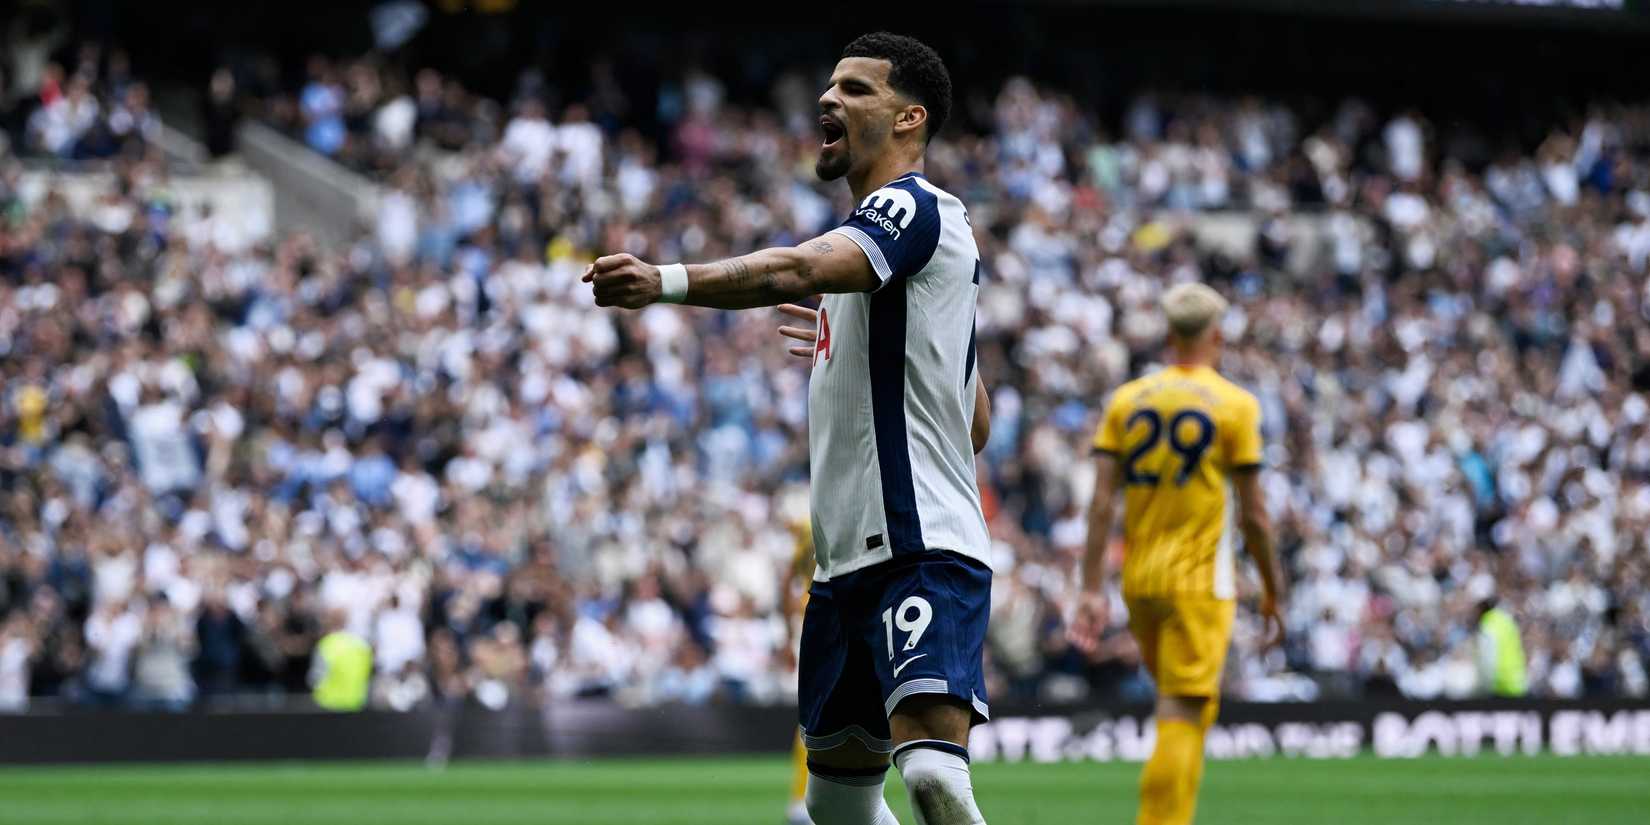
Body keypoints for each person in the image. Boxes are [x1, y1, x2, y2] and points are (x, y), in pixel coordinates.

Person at [587, 31, 993, 825]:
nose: (828, 100)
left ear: (910, 118)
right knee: (836, 808)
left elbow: (793, 269)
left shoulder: (910, 206)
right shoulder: (881, 274)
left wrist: (663, 281)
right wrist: (894, 346)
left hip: (919, 551)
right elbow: (973, 417)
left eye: (855, 89)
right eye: (830, 86)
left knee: (936, 780)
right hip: (842, 570)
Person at [1069, 283, 1286, 825]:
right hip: (1198, 583)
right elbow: (1256, 516)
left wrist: (1091, 588)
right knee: (1183, 715)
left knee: (1184, 707)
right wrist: (1274, 588)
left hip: (1139, 580)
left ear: (1168, 335)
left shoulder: (1127, 400)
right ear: (1216, 335)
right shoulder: (1236, 405)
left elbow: (1100, 505)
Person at [1475, 598, 1528, 698]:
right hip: (1517, 683)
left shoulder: (1488, 624)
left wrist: (1484, 687)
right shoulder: (1506, 620)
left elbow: (1488, 659)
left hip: (1500, 685)